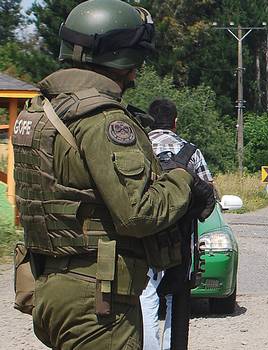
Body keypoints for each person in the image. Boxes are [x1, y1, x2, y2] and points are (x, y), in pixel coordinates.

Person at [12, 0, 214, 349]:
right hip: (96, 300)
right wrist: (181, 179)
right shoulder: (103, 120)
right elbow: (138, 213)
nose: (136, 72)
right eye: (137, 59)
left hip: (51, 286)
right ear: (121, 57)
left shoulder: (39, 111)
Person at [140, 98, 213, 350]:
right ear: (175, 122)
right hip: (182, 235)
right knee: (178, 297)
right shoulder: (191, 152)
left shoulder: (139, 147)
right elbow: (209, 194)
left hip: (145, 233)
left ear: (150, 121)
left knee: (146, 294)